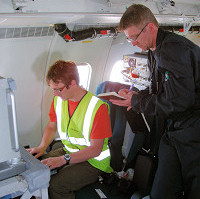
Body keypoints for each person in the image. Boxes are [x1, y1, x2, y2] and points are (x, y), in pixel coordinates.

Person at [110, 4, 200, 199]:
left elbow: (179, 101)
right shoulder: (154, 50)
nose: (132, 43)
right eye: (129, 39)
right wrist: (134, 96)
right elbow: (157, 89)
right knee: (161, 191)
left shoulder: (174, 50)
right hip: (175, 128)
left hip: (193, 129)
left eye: (134, 37)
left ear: (150, 27)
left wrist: (137, 103)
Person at [27, 60, 113, 199]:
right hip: (70, 150)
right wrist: (42, 147)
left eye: (58, 89)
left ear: (73, 83)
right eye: (52, 88)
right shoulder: (59, 99)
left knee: (57, 186)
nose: (54, 93)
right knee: (36, 168)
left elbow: (95, 149)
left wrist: (63, 159)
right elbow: (52, 125)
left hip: (93, 161)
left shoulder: (97, 108)